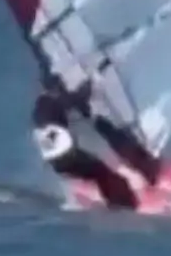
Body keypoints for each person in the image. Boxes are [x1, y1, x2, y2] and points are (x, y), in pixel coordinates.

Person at [30, 71, 163, 209]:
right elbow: (76, 99)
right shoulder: (58, 104)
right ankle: (128, 202)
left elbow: (75, 102)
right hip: (70, 155)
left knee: (98, 171)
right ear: (56, 89)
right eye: (60, 87)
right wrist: (91, 82)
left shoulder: (39, 111)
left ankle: (120, 198)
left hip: (59, 164)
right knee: (105, 171)